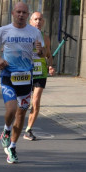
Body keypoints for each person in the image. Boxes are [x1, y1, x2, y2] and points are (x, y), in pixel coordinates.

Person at [0, 2, 43, 164]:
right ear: (13, 13)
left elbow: (42, 53)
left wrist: (40, 51)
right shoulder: (4, 30)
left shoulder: (34, 32)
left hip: (26, 78)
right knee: (11, 109)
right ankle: (6, 130)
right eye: (18, 12)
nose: (21, 15)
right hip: (8, 76)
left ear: (28, 15)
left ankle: (12, 147)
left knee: (21, 115)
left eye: (24, 12)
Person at [23, 11, 56, 140]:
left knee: (35, 101)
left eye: (40, 19)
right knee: (23, 103)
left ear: (43, 22)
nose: (38, 22)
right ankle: (17, 123)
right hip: (25, 72)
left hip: (40, 72)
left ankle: (28, 129)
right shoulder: (24, 35)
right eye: (35, 19)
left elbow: (49, 55)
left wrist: (50, 66)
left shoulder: (45, 37)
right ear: (30, 21)